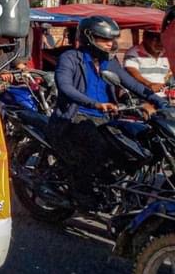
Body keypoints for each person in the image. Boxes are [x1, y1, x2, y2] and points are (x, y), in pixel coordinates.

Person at [49, 15, 166, 206]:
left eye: (112, 39)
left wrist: (159, 102)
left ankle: (117, 184)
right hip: (75, 118)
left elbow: (133, 85)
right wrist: (94, 104)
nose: (110, 44)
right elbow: (65, 87)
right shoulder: (70, 58)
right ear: (89, 37)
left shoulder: (109, 63)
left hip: (105, 118)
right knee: (98, 148)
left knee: (138, 143)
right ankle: (81, 190)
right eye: (104, 39)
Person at [125, 29, 171, 98]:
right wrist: (149, 84)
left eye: (163, 39)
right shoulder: (134, 52)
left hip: (162, 96)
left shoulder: (167, 53)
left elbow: (169, 73)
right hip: (139, 95)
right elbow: (132, 71)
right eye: (156, 39)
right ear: (145, 38)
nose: (160, 42)